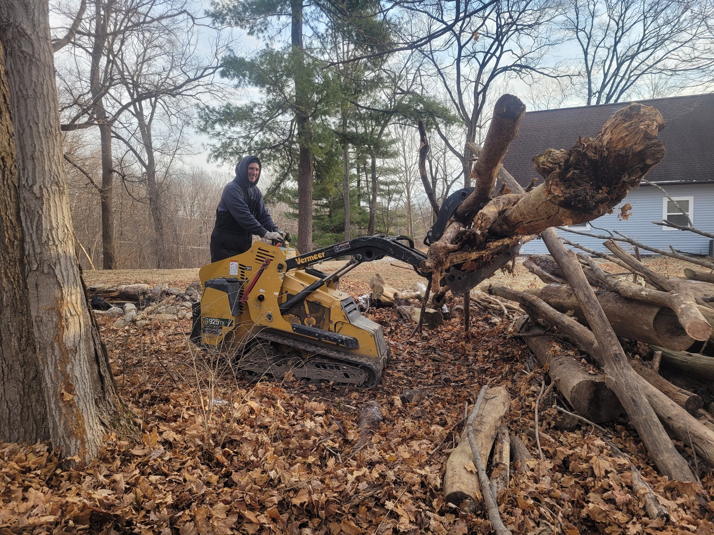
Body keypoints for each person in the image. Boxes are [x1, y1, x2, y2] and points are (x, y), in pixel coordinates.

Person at [210, 155, 283, 262]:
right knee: (224, 278)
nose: (254, 172)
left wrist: (275, 231)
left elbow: (263, 215)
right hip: (225, 246)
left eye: (257, 169)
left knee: (245, 277)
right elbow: (244, 216)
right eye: (251, 168)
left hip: (244, 245)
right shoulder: (232, 189)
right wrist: (265, 233)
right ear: (243, 169)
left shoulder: (255, 191)